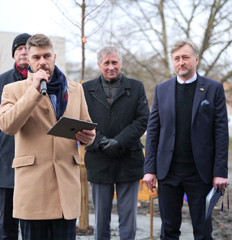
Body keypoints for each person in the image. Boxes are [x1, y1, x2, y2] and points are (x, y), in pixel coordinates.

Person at [0, 33, 95, 240]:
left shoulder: (75, 89)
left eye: (46, 56)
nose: (42, 62)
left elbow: (86, 126)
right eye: (36, 57)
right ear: (29, 61)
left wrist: (89, 137)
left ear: (54, 57)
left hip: (65, 189)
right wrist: (33, 92)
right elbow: (7, 126)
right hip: (33, 190)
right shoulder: (12, 90)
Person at [143, 39, 229, 240]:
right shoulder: (161, 89)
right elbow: (153, 130)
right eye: (177, 58)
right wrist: (149, 169)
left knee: (203, 231)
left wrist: (220, 172)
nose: (181, 62)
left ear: (196, 59)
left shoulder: (213, 88)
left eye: (185, 57)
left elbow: (221, 133)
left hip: (200, 174)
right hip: (168, 173)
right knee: (169, 230)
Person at [82, 46, 150, 240]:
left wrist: (119, 142)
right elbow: (82, 120)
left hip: (128, 159)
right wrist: (101, 141)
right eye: (106, 63)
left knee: (128, 217)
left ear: (121, 63)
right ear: (99, 65)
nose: (111, 67)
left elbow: (143, 119)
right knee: (101, 217)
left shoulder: (136, 87)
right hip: (98, 158)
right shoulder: (86, 89)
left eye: (114, 62)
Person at [0, 32, 31, 240]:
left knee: (34, 221)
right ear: (14, 54)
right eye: (19, 48)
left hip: (35, 163)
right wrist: (1, 141)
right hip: (9, 161)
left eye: (27, 48)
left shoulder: (44, 79)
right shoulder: (1, 81)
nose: (23, 51)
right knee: (8, 225)